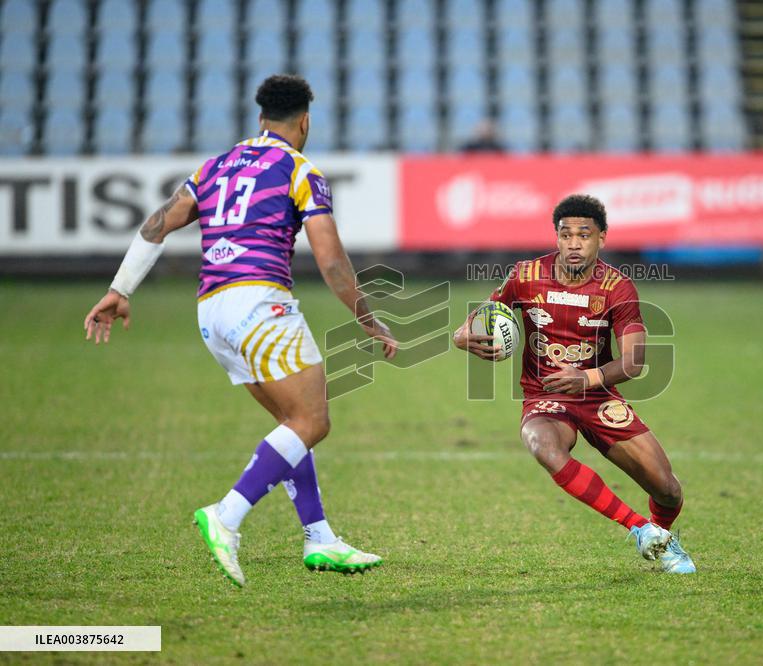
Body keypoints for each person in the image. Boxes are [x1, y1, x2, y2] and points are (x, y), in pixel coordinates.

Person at [83, 75, 398, 587]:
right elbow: (331, 259)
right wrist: (367, 317)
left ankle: (319, 537)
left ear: (260, 118)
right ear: (305, 122)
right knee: (312, 420)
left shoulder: (214, 166)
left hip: (212, 312)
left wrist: (121, 288)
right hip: (260, 302)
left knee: (292, 424)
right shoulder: (300, 170)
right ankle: (226, 515)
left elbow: (158, 223)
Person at [453, 194, 695, 573]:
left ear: (602, 238)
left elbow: (633, 361)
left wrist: (586, 378)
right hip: (545, 397)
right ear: (557, 238)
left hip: (598, 395)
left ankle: (660, 538)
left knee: (667, 490)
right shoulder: (525, 276)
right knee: (543, 445)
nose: (574, 244)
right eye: (565, 235)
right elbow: (477, 319)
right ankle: (639, 528)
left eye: (584, 235)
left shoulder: (618, 288)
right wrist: (462, 337)